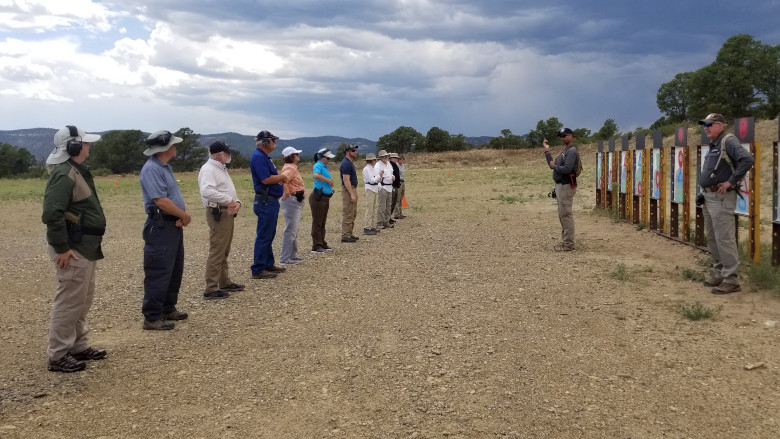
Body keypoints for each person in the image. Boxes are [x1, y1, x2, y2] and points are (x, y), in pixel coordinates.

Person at [42, 125, 107, 372]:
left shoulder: (75, 170)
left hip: (84, 246)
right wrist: (61, 248)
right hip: (72, 247)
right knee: (70, 301)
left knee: (82, 300)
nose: (89, 146)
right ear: (74, 146)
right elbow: (52, 213)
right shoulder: (64, 173)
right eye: (85, 143)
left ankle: (78, 345)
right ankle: (58, 355)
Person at [698, 113, 755, 294]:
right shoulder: (715, 144)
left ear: (720, 125)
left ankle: (731, 280)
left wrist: (731, 181)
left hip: (721, 198)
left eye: (709, 124)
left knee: (724, 238)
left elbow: (747, 160)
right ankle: (721, 274)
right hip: (709, 197)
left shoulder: (728, 141)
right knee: (713, 237)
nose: (706, 127)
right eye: (704, 124)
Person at [139, 130, 191, 330]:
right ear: (165, 148)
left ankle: (167, 308)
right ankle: (152, 316)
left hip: (170, 224)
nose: (176, 146)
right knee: (159, 270)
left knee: (174, 268)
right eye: (173, 144)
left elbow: (171, 196)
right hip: (160, 225)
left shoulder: (164, 167)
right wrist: (184, 215)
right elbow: (160, 200)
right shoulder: (152, 169)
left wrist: (180, 214)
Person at [197, 140, 244, 300]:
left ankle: (224, 281)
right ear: (219, 154)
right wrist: (228, 200)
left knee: (224, 249)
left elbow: (226, 190)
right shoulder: (209, 169)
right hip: (218, 212)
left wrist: (237, 202)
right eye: (227, 152)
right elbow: (207, 191)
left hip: (226, 212)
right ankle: (210, 288)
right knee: (217, 250)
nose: (229, 155)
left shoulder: (220, 168)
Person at [250, 130, 290, 279]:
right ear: (265, 142)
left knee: (269, 233)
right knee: (264, 234)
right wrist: (282, 177)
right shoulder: (259, 157)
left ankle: (267, 263)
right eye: (273, 140)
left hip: (270, 200)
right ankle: (258, 268)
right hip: (266, 200)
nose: (275, 143)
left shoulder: (263, 157)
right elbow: (266, 179)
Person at [543, 127, 580, 252]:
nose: (562, 138)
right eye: (561, 136)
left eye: (564, 135)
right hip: (561, 186)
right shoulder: (566, 151)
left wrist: (555, 166)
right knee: (562, 214)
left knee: (566, 214)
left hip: (566, 186)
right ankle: (566, 241)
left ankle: (568, 244)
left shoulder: (571, 152)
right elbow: (552, 166)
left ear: (571, 136)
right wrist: (547, 152)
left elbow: (567, 169)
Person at [279, 146, 306, 264]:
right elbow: (282, 179)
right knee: (291, 229)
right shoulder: (290, 168)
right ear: (292, 156)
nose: (298, 156)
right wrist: (286, 191)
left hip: (295, 200)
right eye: (296, 154)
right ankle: (285, 258)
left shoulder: (291, 167)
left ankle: (291, 255)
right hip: (292, 200)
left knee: (294, 228)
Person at [310, 147, 336, 253]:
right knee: (317, 221)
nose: (329, 160)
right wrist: (328, 180)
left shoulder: (324, 166)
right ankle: (316, 245)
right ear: (322, 157)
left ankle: (322, 242)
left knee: (322, 221)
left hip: (325, 197)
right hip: (318, 197)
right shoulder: (318, 165)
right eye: (327, 158)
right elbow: (316, 175)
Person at [340, 144, 360, 243]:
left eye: (355, 150)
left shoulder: (349, 162)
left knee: (353, 212)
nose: (355, 152)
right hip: (348, 189)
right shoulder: (346, 164)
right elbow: (346, 180)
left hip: (352, 188)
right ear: (347, 152)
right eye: (353, 151)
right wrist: (352, 194)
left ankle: (349, 233)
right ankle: (345, 235)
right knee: (348, 212)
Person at [374, 150, 395, 229]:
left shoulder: (388, 164)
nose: (386, 157)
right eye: (384, 156)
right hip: (382, 186)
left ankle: (386, 221)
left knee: (388, 205)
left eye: (386, 156)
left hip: (389, 186)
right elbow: (376, 177)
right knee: (382, 206)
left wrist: (393, 177)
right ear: (381, 157)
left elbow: (391, 173)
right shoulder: (378, 166)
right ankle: (379, 223)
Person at [362, 153, 380, 235]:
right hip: (370, 188)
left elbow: (377, 179)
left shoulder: (373, 168)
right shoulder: (366, 169)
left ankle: (372, 226)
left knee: (373, 208)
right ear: (371, 160)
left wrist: (379, 177)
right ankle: (367, 227)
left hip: (375, 188)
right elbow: (372, 180)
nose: (376, 161)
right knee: (369, 209)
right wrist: (379, 176)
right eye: (375, 159)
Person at [392, 154, 407, 219]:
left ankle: (400, 213)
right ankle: (396, 214)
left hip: (403, 182)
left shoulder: (403, 166)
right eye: (400, 159)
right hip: (399, 182)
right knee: (397, 198)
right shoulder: (397, 166)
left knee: (401, 197)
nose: (401, 160)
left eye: (402, 159)